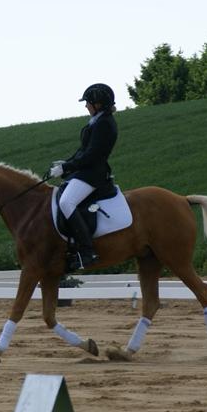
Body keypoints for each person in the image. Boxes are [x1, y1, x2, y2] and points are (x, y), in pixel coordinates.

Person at [47, 83, 118, 271]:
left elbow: (92, 155)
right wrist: (66, 164)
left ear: (98, 104)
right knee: (62, 198)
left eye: (88, 102)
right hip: (85, 172)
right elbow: (82, 151)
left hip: (93, 174)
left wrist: (67, 167)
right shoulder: (97, 121)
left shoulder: (104, 124)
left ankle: (87, 252)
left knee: (66, 202)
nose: (86, 106)